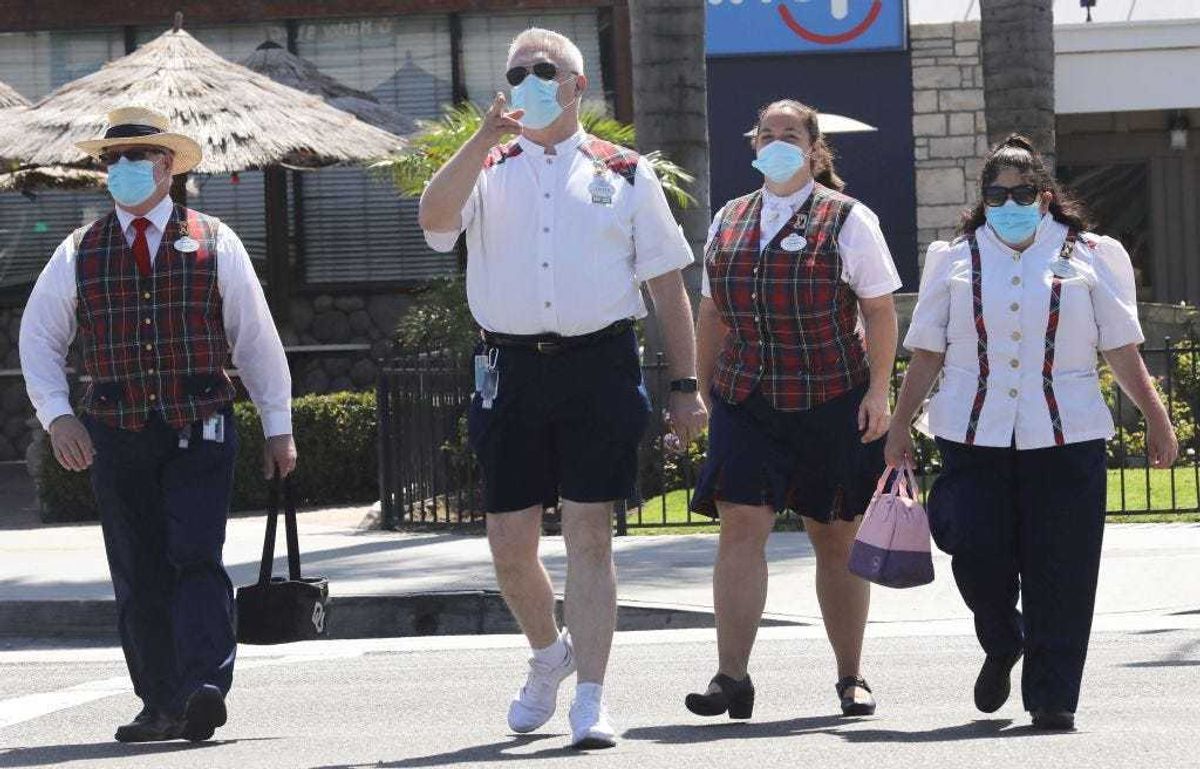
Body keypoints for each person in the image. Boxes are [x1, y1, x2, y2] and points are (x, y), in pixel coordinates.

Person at [419, 28, 704, 750]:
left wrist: (685, 383)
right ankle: (549, 653)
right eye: (519, 72)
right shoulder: (487, 164)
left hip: (598, 363)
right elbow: (433, 222)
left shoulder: (626, 170)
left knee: (589, 534)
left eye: (545, 71)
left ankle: (592, 698)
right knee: (509, 543)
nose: (532, 81)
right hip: (508, 369)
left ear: (578, 87)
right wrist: (480, 136)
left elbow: (667, 284)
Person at [19, 106, 297, 743]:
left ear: (168, 166)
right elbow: (38, 339)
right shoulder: (77, 251)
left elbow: (255, 338)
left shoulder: (215, 239)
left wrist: (278, 425)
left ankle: (202, 687)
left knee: (196, 553)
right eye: (112, 160)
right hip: (115, 428)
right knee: (137, 566)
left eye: (137, 157)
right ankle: (159, 702)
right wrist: (58, 416)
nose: (122, 169)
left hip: (200, 419)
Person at [885, 134, 1178, 731]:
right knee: (975, 550)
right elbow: (926, 353)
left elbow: (1120, 347)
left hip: (1067, 437)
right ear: (983, 197)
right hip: (972, 435)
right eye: (998, 192)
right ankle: (1002, 638)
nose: (1010, 202)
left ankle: (1052, 697)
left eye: (1023, 192)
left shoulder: (1092, 253)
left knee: (1063, 570)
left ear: (1046, 195)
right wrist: (898, 425)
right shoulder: (954, 257)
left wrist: (1155, 416)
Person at [685, 99, 901, 720]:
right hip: (747, 397)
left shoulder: (849, 218)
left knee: (834, 534)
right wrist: (703, 389)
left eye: (790, 133)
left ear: (814, 148)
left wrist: (878, 391)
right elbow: (711, 312)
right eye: (767, 133)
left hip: (829, 395)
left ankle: (850, 675)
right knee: (740, 525)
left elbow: (879, 310)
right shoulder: (729, 217)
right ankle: (731, 677)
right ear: (754, 145)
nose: (777, 141)